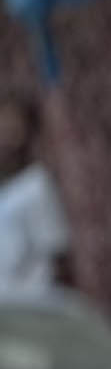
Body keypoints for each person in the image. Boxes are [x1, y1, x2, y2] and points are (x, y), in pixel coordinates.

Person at [0, 98, 70, 299]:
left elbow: (57, 256)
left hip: (30, 306)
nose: (5, 140)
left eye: (13, 131)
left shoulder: (36, 185)